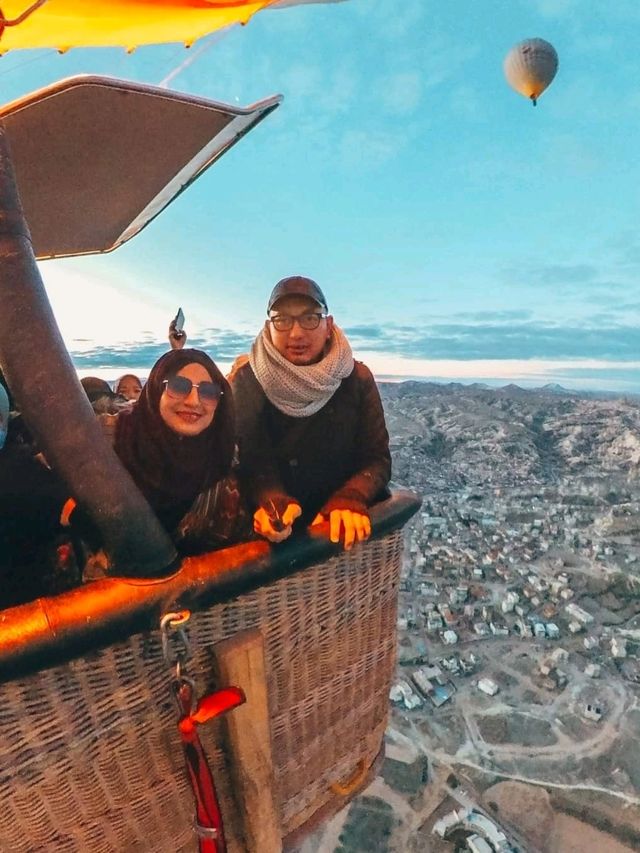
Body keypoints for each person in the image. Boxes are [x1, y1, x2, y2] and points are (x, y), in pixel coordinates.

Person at [230, 275, 391, 551]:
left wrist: (351, 496)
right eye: (282, 320)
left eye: (309, 318)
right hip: (277, 541)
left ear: (329, 326)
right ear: (269, 328)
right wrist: (272, 501)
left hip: (340, 532)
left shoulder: (356, 379)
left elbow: (376, 458)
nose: (296, 333)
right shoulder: (248, 380)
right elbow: (252, 459)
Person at [109, 349, 235, 542]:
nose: (193, 401)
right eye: (178, 386)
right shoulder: (110, 438)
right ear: (157, 389)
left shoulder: (224, 456)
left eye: (208, 391)